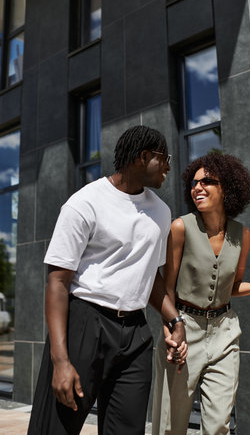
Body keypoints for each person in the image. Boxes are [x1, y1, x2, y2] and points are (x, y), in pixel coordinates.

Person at [27, 125, 187, 435]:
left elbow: (149, 276)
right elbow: (58, 282)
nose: (169, 166)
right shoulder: (84, 203)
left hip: (136, 334)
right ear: (143, 157)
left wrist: (174, 319)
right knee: (56, 427)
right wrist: (60, 360)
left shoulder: (162, 212)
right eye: (163, 158)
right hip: (85, 324)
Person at [152, 153, 250, 435]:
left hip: (224, 332)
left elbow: (230, 287)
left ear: (227, 188)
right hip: (183, 329)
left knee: (219, 424)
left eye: (207, 181)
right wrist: (170, 330)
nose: (198, 187)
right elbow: (166, 287)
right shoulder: (181, 228)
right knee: (171, 426)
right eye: (194, 183)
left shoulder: (241, 235)